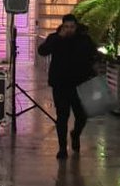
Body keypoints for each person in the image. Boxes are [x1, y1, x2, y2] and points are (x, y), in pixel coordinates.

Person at [37, 14, 99, 158]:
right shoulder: (55, 38)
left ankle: (75, 134)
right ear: (62, 26)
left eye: (72, 27)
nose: (69, 30)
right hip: (61, 84)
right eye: (66, 27)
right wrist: (59, 37)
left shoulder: (84, 39)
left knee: (82, 116)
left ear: (76, 27)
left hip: (80, 84)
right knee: (62, 117)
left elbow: (93, 55)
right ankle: (62, 148)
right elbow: (42, 51)